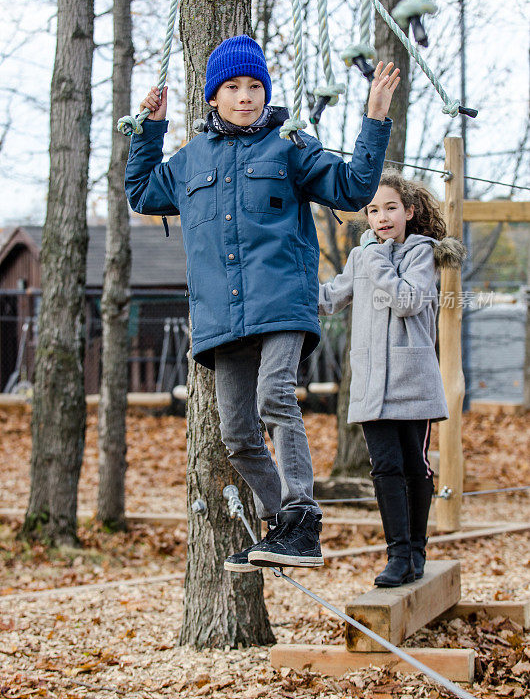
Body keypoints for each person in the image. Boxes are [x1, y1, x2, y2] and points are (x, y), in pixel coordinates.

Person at [125, 34, 399, 572]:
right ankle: (286, 528)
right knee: (236, 435)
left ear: (265, 91)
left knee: (275, 396)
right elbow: (141, 193)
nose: (245, 96)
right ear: (213, 97)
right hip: (221, 319)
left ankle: (303, 512)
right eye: (233, 86)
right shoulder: (190, 159)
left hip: (282, 303)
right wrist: (149, 129)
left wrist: (374, 121)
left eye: (255, 85)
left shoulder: (289, 144)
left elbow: (353, 188)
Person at [319, 168, 466, 586]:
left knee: (413, 466)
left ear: (409, 211)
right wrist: (284, 292)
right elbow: (331, 299)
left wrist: (378, 257)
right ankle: (398, 556)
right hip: (371, 383)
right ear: (366, 215)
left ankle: (416, 550)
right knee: (384, 467)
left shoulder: (422, 252)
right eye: (373, 209)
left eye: (390, 208)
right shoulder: (361, 256)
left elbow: (405, 300)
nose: (382, 216)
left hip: (411, 380)